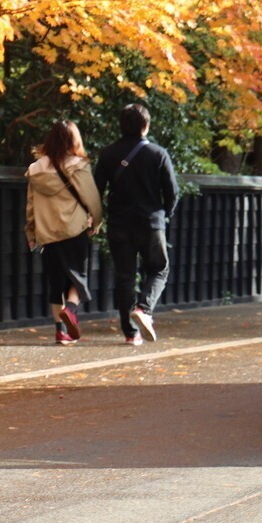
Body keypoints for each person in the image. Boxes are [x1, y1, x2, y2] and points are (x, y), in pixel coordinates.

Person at [94, 102, 178, 344]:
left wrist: (97, 217)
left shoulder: (108, 153)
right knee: (159, 269)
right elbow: (172, 192)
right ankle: (144, 308)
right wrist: (165, 214)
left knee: (125, 277)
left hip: (119, 224)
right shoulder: (157, 153)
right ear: (146, 125)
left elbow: (96, 189)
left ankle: (131, 334)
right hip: (151, 222)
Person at [26, 120, 103, 345]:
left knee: (56, 283)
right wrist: (96, 220)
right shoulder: (79, 165)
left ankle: (60, 332)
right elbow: (92, 198)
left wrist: (31, 232)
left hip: (47, 232)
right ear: (74, 140)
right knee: (78, 277)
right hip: (74, 229)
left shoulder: (36, 169)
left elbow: (31, 205)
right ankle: (70, 310)